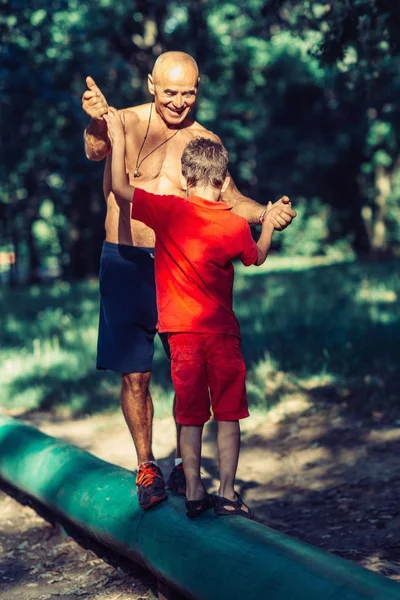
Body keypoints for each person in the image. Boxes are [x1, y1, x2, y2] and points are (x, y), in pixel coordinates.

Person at [82, 51, 296, 510]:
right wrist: (99, 120)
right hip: (126, 259)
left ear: (198, 89)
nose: (179, 102)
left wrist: (267, 215)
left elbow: (231, 199)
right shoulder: (127, 121)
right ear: (151, 85)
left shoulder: (204, 141)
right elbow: (95, 149)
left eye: (188, 93)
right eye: (171, 92)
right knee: (136, 375)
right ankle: (146, 465)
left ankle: (186, 467)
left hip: (179, 268)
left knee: (190, 370)